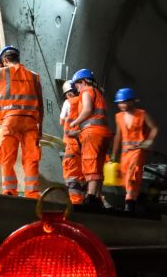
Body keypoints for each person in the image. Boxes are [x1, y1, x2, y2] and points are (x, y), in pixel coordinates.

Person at [0, 45, 43, 198]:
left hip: (11, 120)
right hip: (31, 122)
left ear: (5, 60)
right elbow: (41, 105)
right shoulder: (34, 76)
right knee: (31, 157)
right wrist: (40, 128)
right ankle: (32, 193)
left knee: (7, 157)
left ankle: (9, 191)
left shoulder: (4, 72)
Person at [110, 87, 158, 212]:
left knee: (133, 175)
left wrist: (149, 140)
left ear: (132, 101)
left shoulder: (142, 114)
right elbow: (118, 135)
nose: (122, 105)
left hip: (138, 150)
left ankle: (129, 202)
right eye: (120, 102)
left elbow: (154, 128)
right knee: (126, 177)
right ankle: (135, 198)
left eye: (125, 101)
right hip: (125, 152)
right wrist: (114, 154)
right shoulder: (119, 117)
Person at [69, 69, 110, 208]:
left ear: (84, 81)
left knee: (90, 162)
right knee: (98, 164)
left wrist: (74, 123)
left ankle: (91, 196)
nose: (77, 88)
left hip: (92, 133)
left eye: (77, 84)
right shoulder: (99, 94)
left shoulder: (87, 92)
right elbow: (96, 118)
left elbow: (87, 110)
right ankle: (98, 196)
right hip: (102, 133)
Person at [59, 80, 85, 204]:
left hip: (72, 144)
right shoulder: (87, 101)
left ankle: (76, 203)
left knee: (72, 175)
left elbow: (62, 121)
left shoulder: (68, 102)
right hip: (86, 144)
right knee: (86, 174)